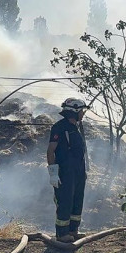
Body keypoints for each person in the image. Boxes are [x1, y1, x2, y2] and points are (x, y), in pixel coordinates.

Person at [46, 98, 89, 243]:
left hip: (78, 171)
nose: (83, 114)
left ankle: (73, 230)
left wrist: (84, 172)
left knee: (77, 199)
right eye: (81, 111)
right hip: (65, 172)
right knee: (65, 201)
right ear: (75, 111)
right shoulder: (59, 127)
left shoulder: (76, 127)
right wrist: (53, 173)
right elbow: (51, 151)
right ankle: (62, 234)